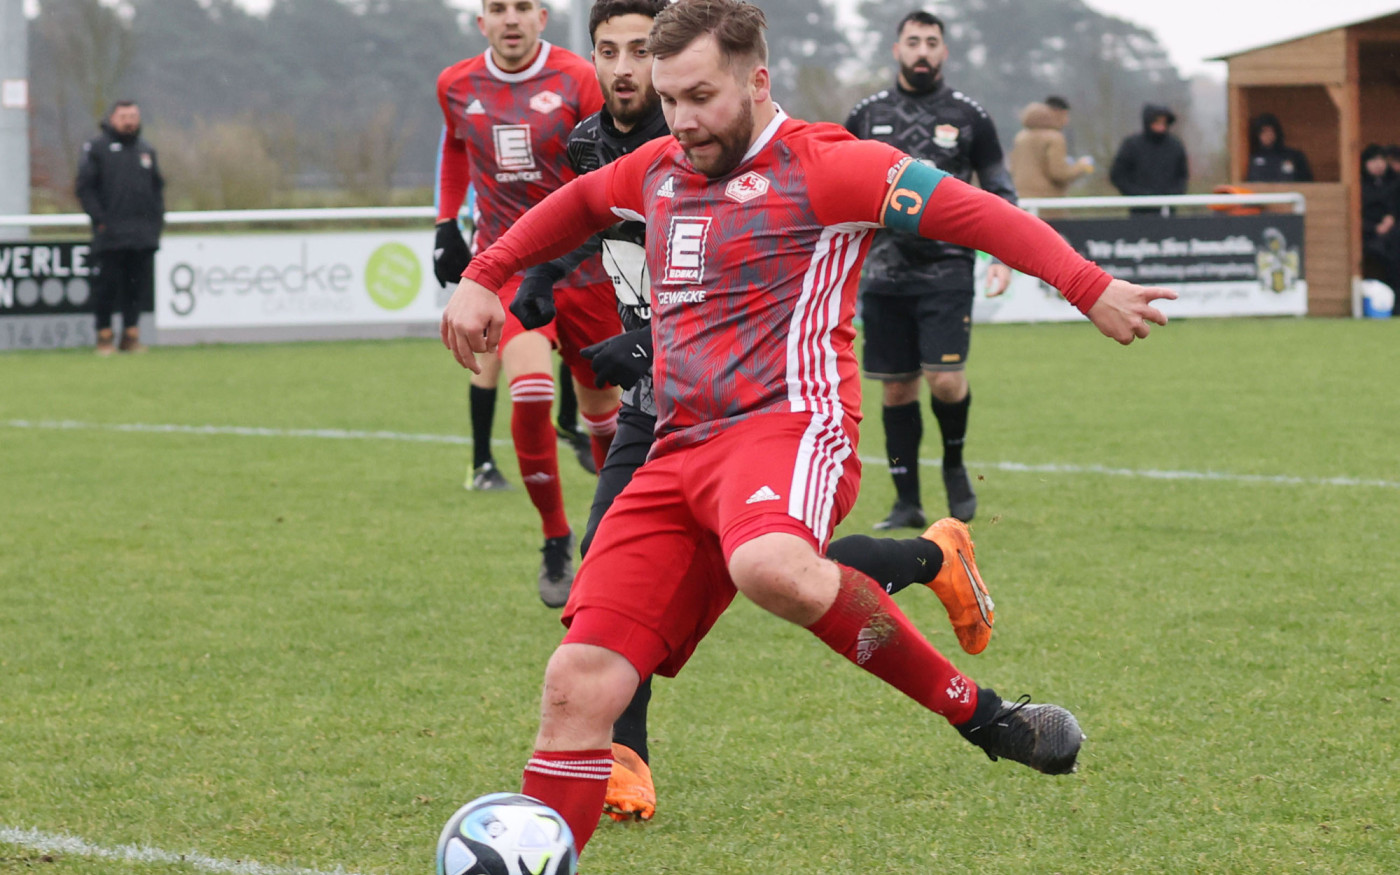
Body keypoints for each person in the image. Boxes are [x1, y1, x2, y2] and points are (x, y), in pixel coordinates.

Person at [441, 0, 1175, 858]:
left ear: (757, 80)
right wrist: (486, 272)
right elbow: (577, 203)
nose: (682, 120)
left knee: (768, 564)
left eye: (701, 97)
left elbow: (977, 213)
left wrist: (1087, 285)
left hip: (789, 425)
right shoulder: (660, 167)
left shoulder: (831, 166)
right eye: (670, 100)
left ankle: (980, 715)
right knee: (575, 681)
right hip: (675, 446)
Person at [506, 0, 998, 826]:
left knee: (781, 566)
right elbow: (589, 217)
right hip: (661, 410)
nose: (627, 70)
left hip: (759, 403)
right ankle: (622, 755)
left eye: (639, 50)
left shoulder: (739, 142)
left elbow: (742, 272)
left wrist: (649, 338)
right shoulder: (597, 144)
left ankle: (929, 557)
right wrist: (524, 275)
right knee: (613, 571)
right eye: (609, 52)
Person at [433, 0, 625, 605]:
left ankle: (610, 539)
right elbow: (455, 148)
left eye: (522, 7)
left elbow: (606, 162)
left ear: (542, 17)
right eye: (498, 8)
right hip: (510, 267)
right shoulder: (455, 84)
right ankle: (555, 539)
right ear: (481, 21)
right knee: (533, 391)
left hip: (587, 269)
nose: (510, 19)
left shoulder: (578, 78)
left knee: (604, 415)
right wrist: (446, 221)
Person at [844, 10, 1016, 529]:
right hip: (883, 273)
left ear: (944, 51)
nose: (923, 50)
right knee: (897, 388)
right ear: (897, 49)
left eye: (931, 42)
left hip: (948, 268)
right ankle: (906, 501)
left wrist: (1003, 254)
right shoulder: (866, 115)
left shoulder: (968, 115)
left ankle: (955, 466)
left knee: (944, 379)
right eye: (913, 41)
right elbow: (839, 187)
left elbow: (999, 188)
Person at [75, 100, 164, 356]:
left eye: (133, 116)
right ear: (112, 119)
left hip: (142, 234)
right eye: (124, 116)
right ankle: (104, 336)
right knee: (107, 287)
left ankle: (131, 336)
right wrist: (101, 220)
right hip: (110, 234)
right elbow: (85, 188)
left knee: (136, 288)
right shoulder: (97, 148)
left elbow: (157, 190)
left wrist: (156, 222)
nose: (129, 121)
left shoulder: (146, 149)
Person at [1008, 95, 1094, 199]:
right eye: (1065, 115)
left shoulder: (1021, 136)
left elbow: (1012, 168)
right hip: (1047, 200)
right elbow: (1059, 173)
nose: (1067, 120)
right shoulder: (1054, 138)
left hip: (1021, 198)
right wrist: (1082, 166)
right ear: (1057, 113)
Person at [1109, 103, 1188, 215]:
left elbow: (1182, 176)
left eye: (1164, 123)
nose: (1161, 127)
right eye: (1157, 122)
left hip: (1168, 210)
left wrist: (1172, 195)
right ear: (1148, 122)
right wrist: (1139, 195)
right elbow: (1118, 175)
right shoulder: (1132, 145)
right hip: (1139, 211)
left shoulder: (1175, 146)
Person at [1360, 143, 1400, 297]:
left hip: (1393, 232)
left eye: (1381, 159)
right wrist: (1374, 228)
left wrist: (1391, 218)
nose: (1378, 164)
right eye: (1373, 160)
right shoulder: (1359, 186)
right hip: (1369, 234)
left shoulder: (1395, 182)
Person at [1245, 114, 1313, 183]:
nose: (1267, 135)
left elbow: (1307, 182)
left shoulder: (1294, 156)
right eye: (1263, 131)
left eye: (1270, 131)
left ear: (1276, 133)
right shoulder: (1251, 158)